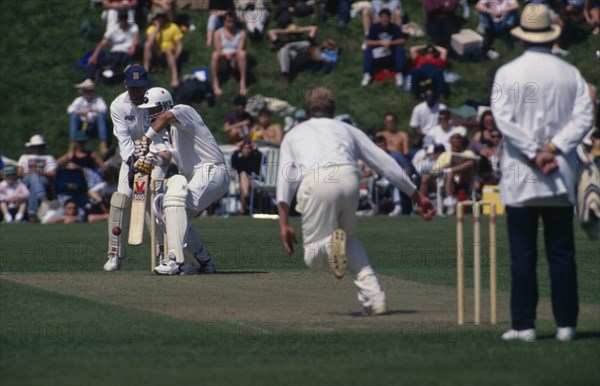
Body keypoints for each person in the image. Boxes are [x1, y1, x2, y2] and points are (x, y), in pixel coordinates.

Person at [276, 87, 436, 315]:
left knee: (313, 256)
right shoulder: (346, 128)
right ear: (332, 111)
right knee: (348, 240)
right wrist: (416, 195)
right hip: (349, 177)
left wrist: (283, 222)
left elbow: (285, 178)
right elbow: (383, 161)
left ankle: (330, 245)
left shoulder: (293, 134)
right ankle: (375, 299)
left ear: (306, 111)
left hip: (317, 180)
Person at [491, 4, 593, 342]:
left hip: (522, 173)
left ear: (521, 36)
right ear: (552, 35)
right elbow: (584, 118)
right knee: (561, 253)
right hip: (559, 172)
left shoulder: (507, 73)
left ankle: (524, 326)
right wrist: (552, 149)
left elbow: (504, 120)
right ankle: (566, 325)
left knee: (523, 254)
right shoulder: (570, 73)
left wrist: (536, 151)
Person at [137, 87, 230, 275]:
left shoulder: (184, 111)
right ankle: (203, 262)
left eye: (153, 109)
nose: (150, 114)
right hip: (198, 177)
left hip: (210, 170)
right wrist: (151, 159)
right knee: (164, 212)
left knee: (173, 201)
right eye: (148, 110)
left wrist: (145, 138)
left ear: (164, 106)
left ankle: (174, 260)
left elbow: (165, 118)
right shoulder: (170, 135)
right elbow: (166, 156)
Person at [103, 64, 167, 272]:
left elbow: (164, 135)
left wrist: (151, 159)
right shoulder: (118, 105)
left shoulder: (157, 100)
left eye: (140, 87)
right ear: (126, 85)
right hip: (131, 157)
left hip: (156, 154)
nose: (136, 92)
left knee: (153, 199)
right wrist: (133, 163)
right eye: (132, 88)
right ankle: (114, 254)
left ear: (146, 85)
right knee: (122, 200)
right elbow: (123, 139)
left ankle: (163, 252)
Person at [86, 9, 139, 82]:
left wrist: (133, 47)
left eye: (124, 18)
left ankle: (123, 75)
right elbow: (103, 42)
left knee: (133, 65)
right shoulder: (113, 28)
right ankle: (89, 79)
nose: (123, 20)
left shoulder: (133, 27)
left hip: (126, 53)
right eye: (121, 18)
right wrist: (94, 56)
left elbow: (135, 39)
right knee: (95, 62)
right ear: (118, 18)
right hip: (115, 53)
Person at [360, 9, 407, 88]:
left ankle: (399, 74)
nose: (384, 19)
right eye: (382, 17)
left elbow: (402, 41)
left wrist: (390, 43)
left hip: (391, 53)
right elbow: (368, 42)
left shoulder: (395, 27)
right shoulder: (374, 27)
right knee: (368, 50)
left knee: (400, 49)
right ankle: (367, 75)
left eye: (386, 17)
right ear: (379, 18)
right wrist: (381, 43)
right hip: (378, 53)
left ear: (389, 18)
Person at [17, 135, 58, 223]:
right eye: (35, 147)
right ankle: (43, 199)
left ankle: (32, 213)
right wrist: (33, 173)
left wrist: (38, 172)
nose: (37, 149)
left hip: (44, 181)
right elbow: (19, 173)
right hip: (26, 182)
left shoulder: (49, 158)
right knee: (33, 177)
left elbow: (53, 173)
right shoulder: (24, 157)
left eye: (39, 147)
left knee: (34, 184)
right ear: (31, 147)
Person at [268, 24, 319, 88]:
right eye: (291, 33)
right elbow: (271, 32)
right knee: (283, 50)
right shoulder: (282, 42)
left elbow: (314, 28)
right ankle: (286, 76)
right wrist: (285, 30)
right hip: (288, 58)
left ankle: (291, 45)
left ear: (299, 33)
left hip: (300, 57)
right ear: (288, 34)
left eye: (295, 33)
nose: (293, 35)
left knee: (307, 44)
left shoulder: (303, 40)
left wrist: (301, 29)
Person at [143, 7, 183, 88]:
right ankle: (145, 72)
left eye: (162, 16)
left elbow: (179, 44)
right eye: (158, 16)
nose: (161, 18)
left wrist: (176, 56)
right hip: (157, 51)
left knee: (168, 50)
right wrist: (157, 28)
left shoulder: (173, 27)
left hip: (169, 52)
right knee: (147, 44)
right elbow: (150, 43)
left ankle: (174, 77)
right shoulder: (151, 29)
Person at [210, 11, 248, 96]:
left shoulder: (241, 33)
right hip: (223, 60)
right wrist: (226, 55)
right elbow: (218, 49)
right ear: (224, 22)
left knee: (242, 54)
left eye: (233, 22)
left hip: (235, 60)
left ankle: (243, 82)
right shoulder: (218, 33)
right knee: (215, 55)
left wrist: (233, 55)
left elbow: (240, 48)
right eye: (228, 22)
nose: (231, 24)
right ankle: (215, 82)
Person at [67, 79, 109, 154]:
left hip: (93, 124)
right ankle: (72, 144)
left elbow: (104, 109)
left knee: (100, 116)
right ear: (83, 91)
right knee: (74, 116)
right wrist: (81, 112)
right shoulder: (79, 100)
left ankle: (103, 143)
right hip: (82, 124)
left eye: (91, 90)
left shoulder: (98, 99)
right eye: (87, 91)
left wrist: (90, 110)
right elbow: (69, 109)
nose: (89, 93)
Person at [231, 140, 263, 214]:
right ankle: (245, 200)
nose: (247, 150)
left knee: (243, 175)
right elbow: (233, 164)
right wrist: (237, 149)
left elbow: (261, 159)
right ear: (242, 149)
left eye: (249, 148)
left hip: (253, 179)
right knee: (243, 174)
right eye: (245, 148)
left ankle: (243, 206)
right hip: (242, 179)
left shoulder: (254, 157)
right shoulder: (239, 159)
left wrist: (256, 149)